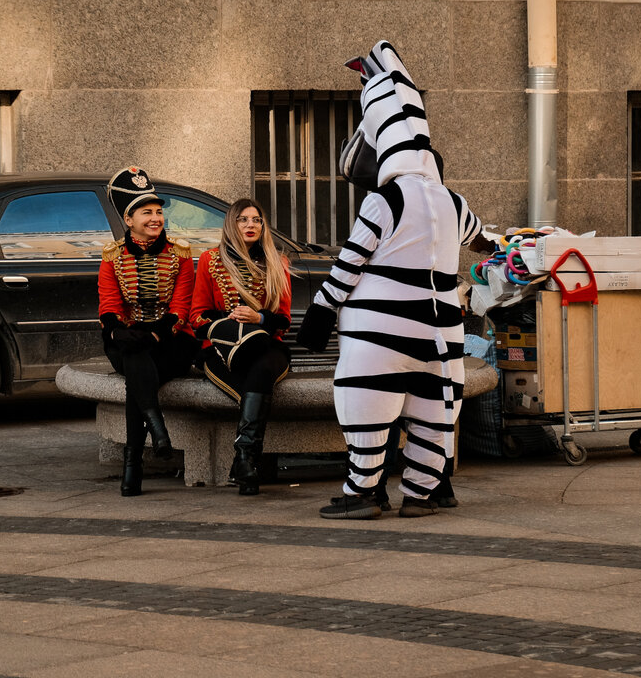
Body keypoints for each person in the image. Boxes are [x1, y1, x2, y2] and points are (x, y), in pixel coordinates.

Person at [297, 40, 494, 520]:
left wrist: (321, 312)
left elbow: (350, 263)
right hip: (442, 329)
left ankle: (362, 491)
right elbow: (486, 241)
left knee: (367, 402)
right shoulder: (453, 200)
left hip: (381, 328)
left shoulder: (384, 200)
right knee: (434, 409)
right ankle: (422, 493)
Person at [98, 166, 198, 497]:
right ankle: (155, 433)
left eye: (158, 212)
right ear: (129, 220)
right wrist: (119, 332)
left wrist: (155, 334)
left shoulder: (181, 254)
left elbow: (181, 308)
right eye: (146, 212)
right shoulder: (112, 257)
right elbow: (109, 306)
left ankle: (134, 464)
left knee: (137, 373)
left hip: (171, 341)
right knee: (134, 355)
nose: (155, 218)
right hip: (129, 339)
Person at [190, 198, 293, 496]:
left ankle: (245, 458)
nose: (251, 225)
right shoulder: (211, 260)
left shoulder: (278, 262)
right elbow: (197, 316)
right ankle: (246, 462)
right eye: (243, 220)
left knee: (261, 371)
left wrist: (259, 317)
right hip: (222, 350)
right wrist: (232, 318)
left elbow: (283, 319)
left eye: (257, 220)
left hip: (267, 346)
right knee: (257, 381)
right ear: (231, 225)